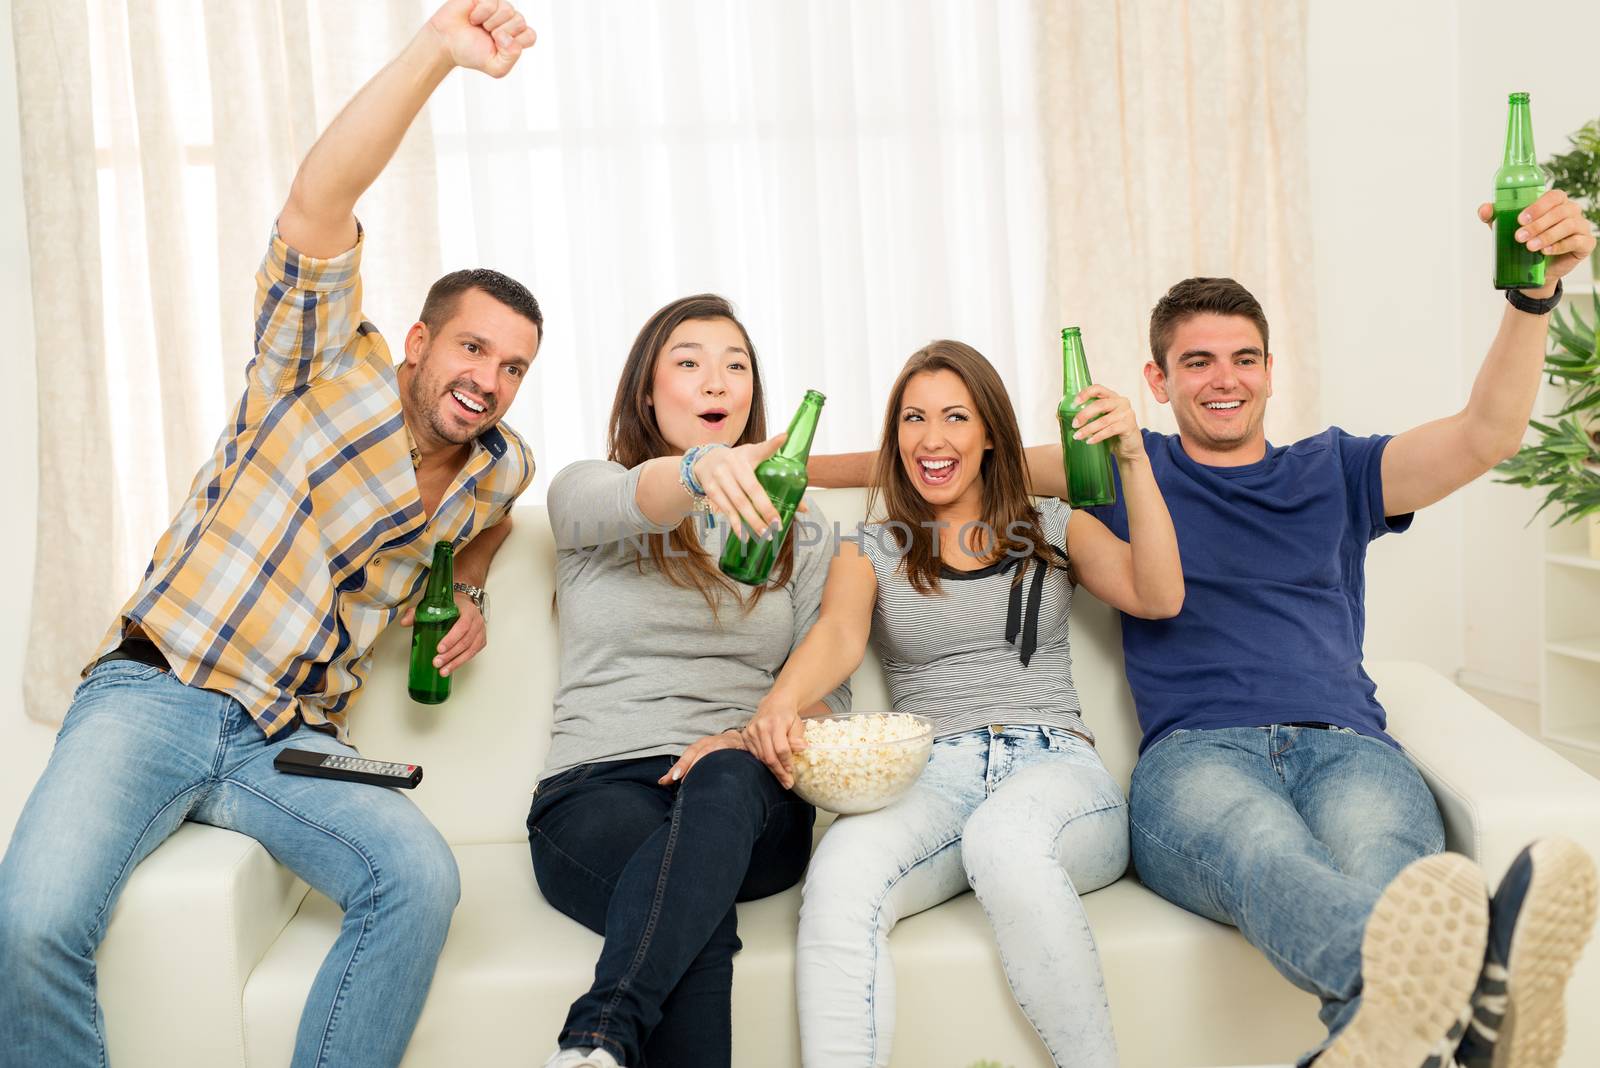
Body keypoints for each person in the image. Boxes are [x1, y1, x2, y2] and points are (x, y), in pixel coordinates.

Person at [814, 190, 1598, 1068]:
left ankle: (1404, 1026)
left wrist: (1532, 302)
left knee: (1387, 873)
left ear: (1270, 370)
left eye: (1244, 359)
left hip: (1349, 746)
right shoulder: (1114, 467)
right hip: (1195, 760)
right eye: (1197, 361)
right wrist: (765, 468)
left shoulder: (1339, 470)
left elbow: (1485, 436)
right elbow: (949, 456)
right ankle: (1485, 985)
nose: (1224, 378)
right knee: (1268, 854)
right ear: (1159, 380)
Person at [0, 5, 542, 1066]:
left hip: (290, 742)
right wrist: (436, 51)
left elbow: (502, 511)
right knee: (28, 923)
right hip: (160, 688)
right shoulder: (320, 364)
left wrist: (469, 582)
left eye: (514, 366)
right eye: (473, 349)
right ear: (421, 342)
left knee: (420, 880)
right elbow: (317, 198)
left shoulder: (498, 462)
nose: (488, 379)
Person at [743, 340, 1183, 1067]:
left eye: (955, 416)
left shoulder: (1051, 522)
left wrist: (1132, 459)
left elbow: (1160, 595)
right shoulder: (872, 544)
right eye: (913, 418)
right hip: (932, 772)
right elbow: (838, 634)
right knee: (840, 879)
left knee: (1007, 841)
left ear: (989, 435)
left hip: (1058, 771)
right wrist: (781, 700)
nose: (933, 437)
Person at [528, 294, 850, 1068]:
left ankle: (598, 1036)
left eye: (735, 366)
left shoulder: (802, 530)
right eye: (689, 362)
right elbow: (640, 496)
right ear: (647, 390)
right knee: (692, 917)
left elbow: (827, 695)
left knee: (727, 780)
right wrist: (701, 470)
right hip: (597, 789)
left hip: (751, 797)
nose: (716, 383)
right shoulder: (587, 493)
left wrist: (743, 736)